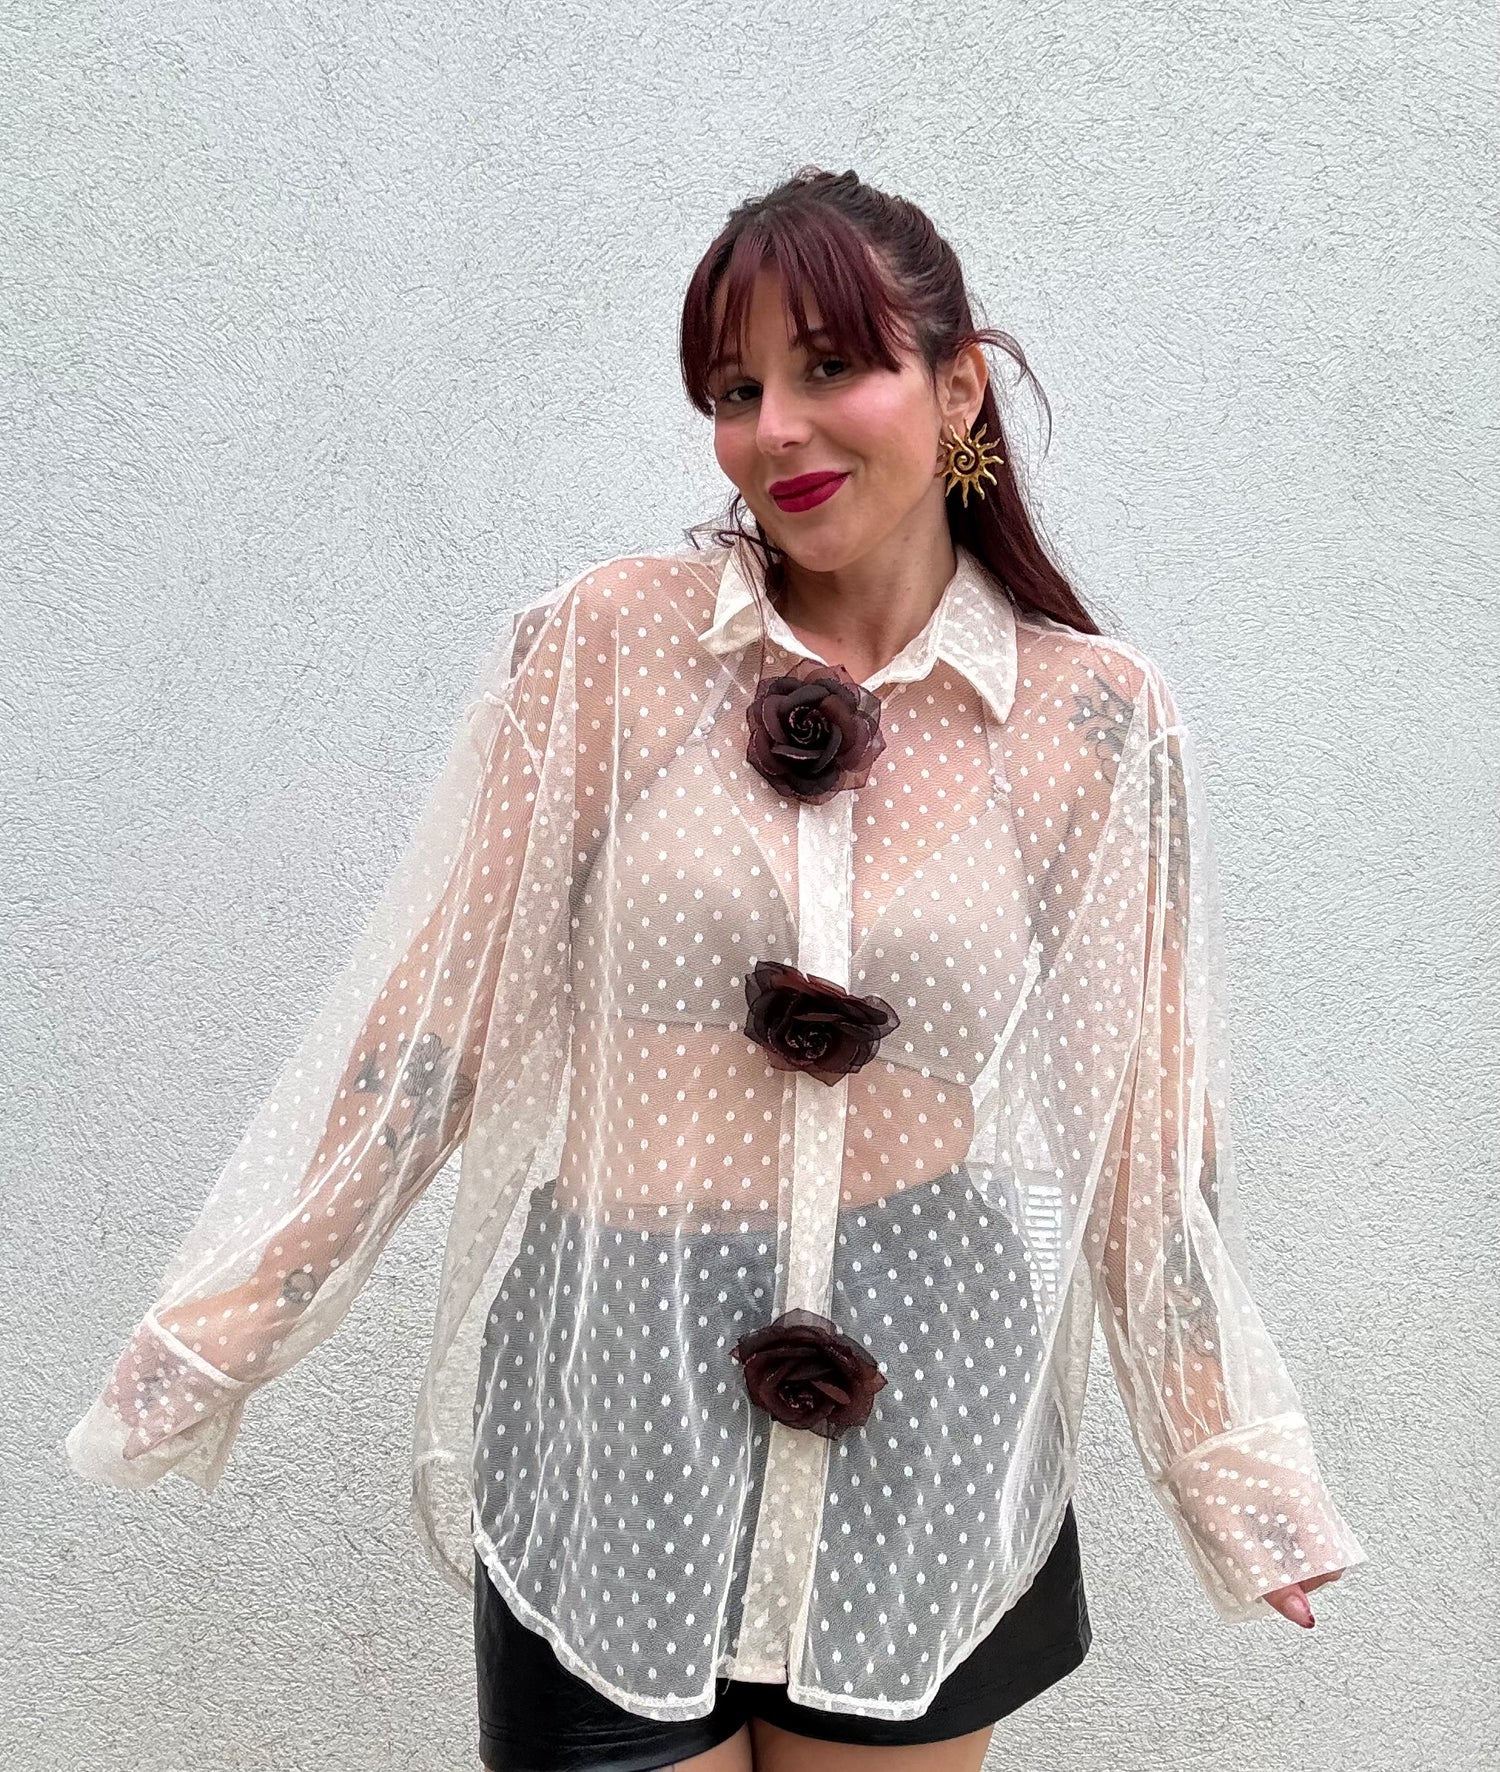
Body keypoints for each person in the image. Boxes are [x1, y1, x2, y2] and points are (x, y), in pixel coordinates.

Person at [65, 167, 1367, 1772]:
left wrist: (1233, 1464)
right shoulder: (610, 646)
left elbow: (1147, 1137)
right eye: (734, 390)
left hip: (930, 1376)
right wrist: (220, 1326)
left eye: (831, 366)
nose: (776, 430)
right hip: (619, 1368)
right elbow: (438, 1023)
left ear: (958, 385)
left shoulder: (1091, 718)